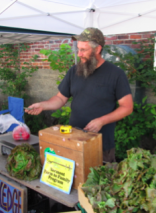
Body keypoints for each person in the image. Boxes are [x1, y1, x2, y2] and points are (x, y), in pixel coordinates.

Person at [26, 27, 133, 162]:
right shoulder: (74, 71)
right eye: (78, 49)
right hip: (73, 140)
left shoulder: (116, 74)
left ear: (97, 49)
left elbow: (127, 107)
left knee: (98, 182)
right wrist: (43, 105)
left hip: (100, 145)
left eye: (83, 50)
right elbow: (60, 98)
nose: (79, 54)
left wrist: (102, 121)